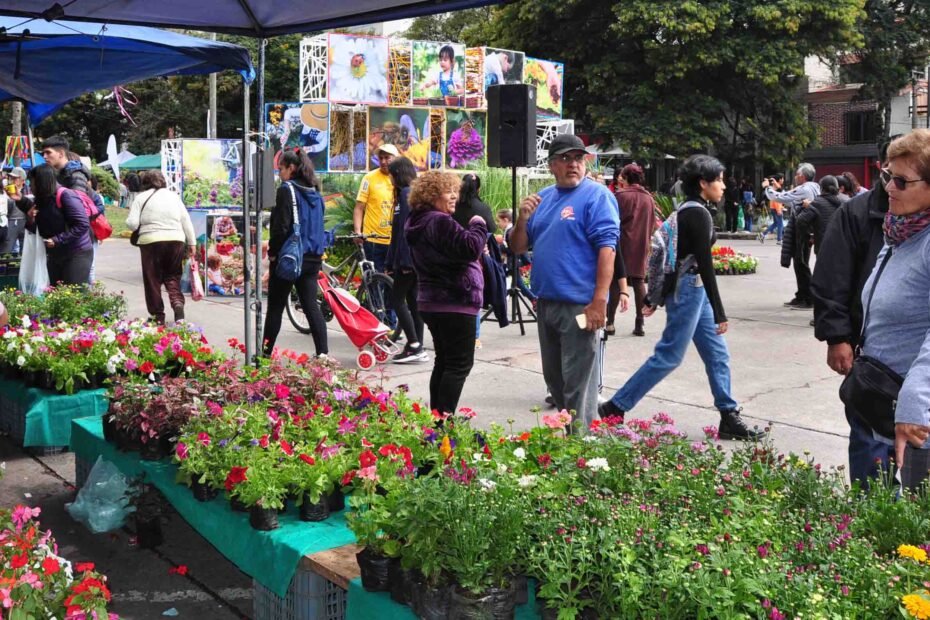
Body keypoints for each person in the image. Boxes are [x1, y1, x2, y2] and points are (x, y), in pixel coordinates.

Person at [598, 155, 763, 441]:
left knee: (717, 354)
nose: (724, 186)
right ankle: (616, 406)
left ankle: (728, 415)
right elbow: (703, 264)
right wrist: (720, 312)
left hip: (692, 289)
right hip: (691, 289)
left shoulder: (691, 210)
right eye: (719, 180)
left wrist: (656, 297)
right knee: (669, 355)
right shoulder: (697, 213)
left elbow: (678, 261)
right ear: (703, 183)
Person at [510, 134, 620, 430]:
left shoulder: (597, 196)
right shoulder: (543, 199)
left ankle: (584, 454)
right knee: (556, 383)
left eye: (578, 158)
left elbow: (607, 250)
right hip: (546, 303)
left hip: (580, 305)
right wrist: (521, 220)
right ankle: (575, 444)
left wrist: (600, 301)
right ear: (551, 165)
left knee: (579, 388)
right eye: (565, 158)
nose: (573, 164)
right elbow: (519, 247)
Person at [848, 130, 930, 489]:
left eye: (901, 181)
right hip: (883, 398)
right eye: (886, 176)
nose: (888, 188)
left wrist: (915, 403)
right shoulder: (900, 232)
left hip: (916, 416)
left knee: (914, 530)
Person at [811, 148, 892, 488]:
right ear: (880, 168)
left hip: (920, 353)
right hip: (869, 350)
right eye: (892, 175)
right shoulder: (856, 213)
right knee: (870, 441)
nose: (896, 187)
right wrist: (837, 336)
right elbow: (832, 276)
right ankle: (870, 520)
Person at [405, 171, 487, 415]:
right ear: (432, 195)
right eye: (448, 191)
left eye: (456, 191)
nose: (455, 196)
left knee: (444, 361)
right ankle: (444, 423)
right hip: (455, 301)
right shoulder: (438, 221)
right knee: (459, 365)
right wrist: (478, 225)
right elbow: (470, 247)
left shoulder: (417, 221)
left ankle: (438, 419)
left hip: (432, 301)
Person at [263, 148, 329, 358]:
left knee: (275, 307)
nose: (279, 173)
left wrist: (273, 253)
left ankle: (264, 356)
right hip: (312, 258)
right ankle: (323, 354)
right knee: (311, 306)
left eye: (281, 169)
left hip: (289, 258)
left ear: (291, 168)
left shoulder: (286, 190)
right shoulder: (315, 192)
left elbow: (281, 227)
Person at [127, 170, 196, 324]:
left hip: (150, 242)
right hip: (176, 240)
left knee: (152, 279)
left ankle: (158, 316)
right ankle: (178, 305)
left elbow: (132, 224)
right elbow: (186, 220)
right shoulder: (174, 197)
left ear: (145, 182)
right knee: (172, 276)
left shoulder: (141, 198)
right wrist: (192, 243)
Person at [385, 156, 427, 364]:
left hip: (408, 260)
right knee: (412, 301)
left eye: (391, 175)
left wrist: (403, 262)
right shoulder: (412, 193)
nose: (390, 179)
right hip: (412, 258)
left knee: (396, 300)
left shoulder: (406, 194)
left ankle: (413, 344)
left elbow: (404, 231)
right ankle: (417, 344)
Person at [21, 164, 93, 286]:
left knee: (74, 297)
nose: (30, 186)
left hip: (76, 253)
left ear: (42, 182)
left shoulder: (66, 195)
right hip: (55, 254)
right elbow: (38, 230)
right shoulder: (42, 199)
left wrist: (58, 239)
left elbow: (82, 224)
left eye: (32, 182)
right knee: (56, 296)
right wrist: (30, 219)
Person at [764, 164, 821, 309]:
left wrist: (768, 188)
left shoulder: (805, 188)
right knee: (799, 262)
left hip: (803, 229)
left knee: (801, 263)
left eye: (796, 174)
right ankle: (801, 295)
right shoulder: (814, 187)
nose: (795, 177)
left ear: (802, 176)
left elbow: (779, 197)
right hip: (807, 229)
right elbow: (791, 200)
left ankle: (808, 298)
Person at [354, 144, 399, 325]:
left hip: (393, 241)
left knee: (392, 283)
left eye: (388, 157)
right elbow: (359, 207)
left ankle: (390, 321)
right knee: (374, 282)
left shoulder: (401, 180)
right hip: (372, 240)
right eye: (381, 157)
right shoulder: (369, 178)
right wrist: (358, 232)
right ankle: (377, 320)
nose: (384, 161)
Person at [452, 173, 498, 349]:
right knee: (474, 297)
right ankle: (474, 336)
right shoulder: (483, 208)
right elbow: (491, 231)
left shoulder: (453, 205)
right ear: (478, 188)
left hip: (453, 256)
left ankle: (455, 333)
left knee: (454, 296)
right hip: (474, 258)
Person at [610, 163, 653, 337]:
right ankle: (640, 323)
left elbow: (612, 220)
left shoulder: (620, 196)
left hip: (622, 244)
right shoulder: (648, 197)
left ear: (626, 177)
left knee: (614, 282)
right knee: (639, 282)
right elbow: (651, 223)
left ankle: (609, 323)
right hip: (642, 244)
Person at [798, 176, 843, 256]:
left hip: (822, 246)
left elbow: (801, 220)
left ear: (821, 189)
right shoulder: (845, 203)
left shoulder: (816, 203)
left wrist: (809, 236)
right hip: (841, 246)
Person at [2, 167, 26, 254]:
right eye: (11, 177)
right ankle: (3, 267)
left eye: (15, 178)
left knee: (25, 250)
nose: (12, 179)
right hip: (11, 221)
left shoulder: (29, 190)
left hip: (26, 223)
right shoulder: (5, 190)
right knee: (6, 249)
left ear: (23, 180)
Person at [758, 173, 785, 244]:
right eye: (782, 178)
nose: (783, 180)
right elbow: (777, 200)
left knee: (776, 223)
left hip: (773, 207)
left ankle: (763, 234)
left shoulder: (774, 186)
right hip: (776, 208)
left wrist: (782, 207)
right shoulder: (777, 186)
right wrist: (779, 209)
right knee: (780, 224)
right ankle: (779, 239)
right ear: (779, 180)